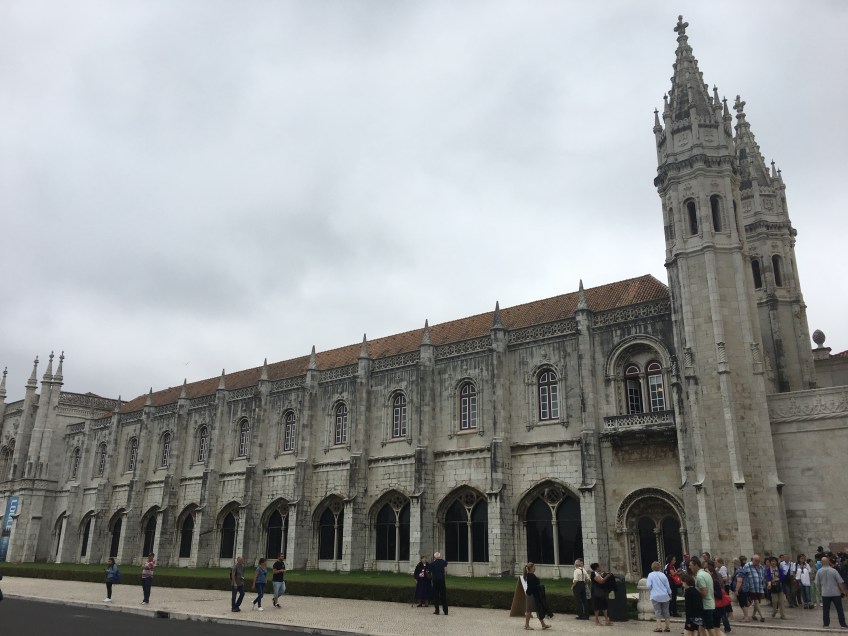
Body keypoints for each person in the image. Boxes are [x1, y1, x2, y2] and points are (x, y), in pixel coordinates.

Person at [816, 556, 848, 629]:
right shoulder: (834, 571)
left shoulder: (819, 571)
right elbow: (840, 582)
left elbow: (817, 583)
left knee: (826, 610)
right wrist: (844, 591)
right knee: (839, 609)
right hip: (835, 593)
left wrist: (820, 591)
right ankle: (843, 624)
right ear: (828, 562)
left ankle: (826, 624)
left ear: (821, 563)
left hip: (825, 593)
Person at [690, 556, 717, 635]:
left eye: (691, 565)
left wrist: (694, 594)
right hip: (709, 603)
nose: (689, 567)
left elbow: (704, 592)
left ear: (696, 565)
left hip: (705, 605)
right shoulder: (705, 574)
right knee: (701, 626)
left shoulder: (700, 576)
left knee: (709, 627)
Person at [522, 563, 551, 630]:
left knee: (538, 610)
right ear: (531, 568)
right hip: (531, 595)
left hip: (532, 594)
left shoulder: (530, 575)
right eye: (534, 567)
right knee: (529, 611)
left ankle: (543, 625)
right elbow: (533, 587)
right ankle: (527, 625)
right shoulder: (531, 576)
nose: (535, 568)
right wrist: (540, 588)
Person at [647, 560, 672, 633]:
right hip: (664, 595)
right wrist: (670, 593)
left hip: (655, 595)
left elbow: (649, 585)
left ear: (652, 567)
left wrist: (652, 589)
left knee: (657, 611)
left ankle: (659, 627)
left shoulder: (650, 575)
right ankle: (667, 627)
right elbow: (667, 585)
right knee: (666, 611)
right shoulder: (663, 575)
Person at [590, 562, 613, 626]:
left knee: (604, 606)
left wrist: (605, 576)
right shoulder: (593, 573)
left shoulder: (598, 573)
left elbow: (603, 581)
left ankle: (607, 620)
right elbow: (600, 581)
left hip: (601, 591)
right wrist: (607, 576)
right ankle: (596, 621)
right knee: (597, 606)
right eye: (599, 567)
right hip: (596, 592)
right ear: (597, 567)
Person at [429, 551, 448, 615]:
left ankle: (437, 610)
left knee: (436, 596)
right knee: (443, 596)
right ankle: (446, 611)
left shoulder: (432, 563)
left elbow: (429, 570)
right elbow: (446, 563)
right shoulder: (442, 562)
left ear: (434, 557)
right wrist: (440, 559)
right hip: (442, 580)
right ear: (439, 557)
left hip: (435, 581)